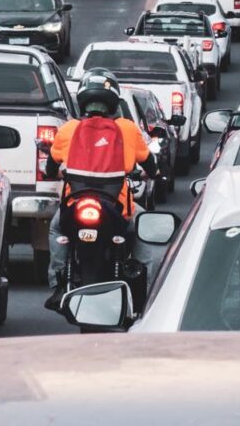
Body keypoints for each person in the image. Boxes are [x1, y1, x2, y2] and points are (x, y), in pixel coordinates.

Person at [43, 68, 159, 310]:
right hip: (117, 208)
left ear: (83, 101)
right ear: (114, 102)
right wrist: (154, 172)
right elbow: (149, 162)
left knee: (56, 230)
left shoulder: (68, 129)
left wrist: (56, 172)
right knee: (143, 229)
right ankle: (144, 285)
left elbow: (51, 167)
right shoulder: (127, 128)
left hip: (74, 206)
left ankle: (58, 283)